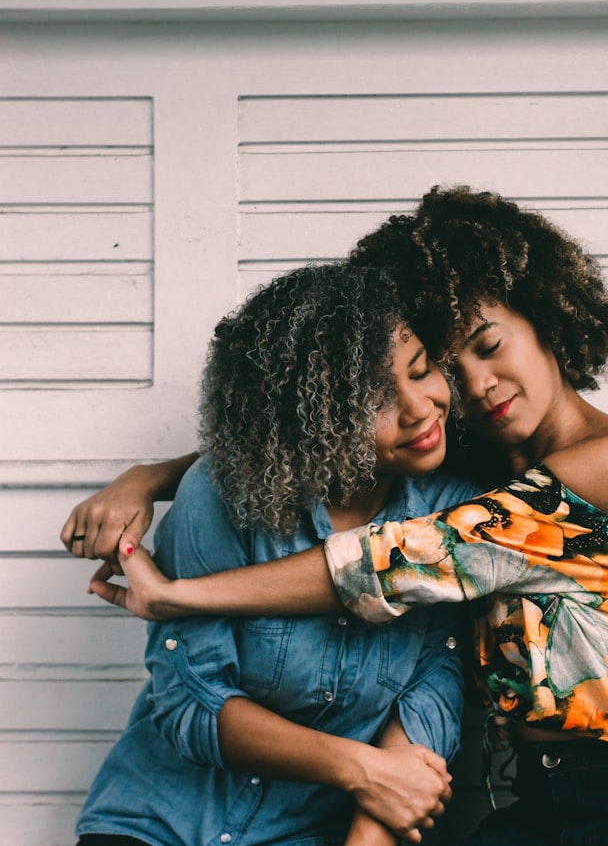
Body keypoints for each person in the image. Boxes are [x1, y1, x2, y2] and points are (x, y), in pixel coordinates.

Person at [68, 187, 608, 846]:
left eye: (490, 346)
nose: (477, 384)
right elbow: (303, 437)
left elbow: (400, 563)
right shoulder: (488, 473)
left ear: (545, 313)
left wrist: (177, 595)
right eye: (448, 365)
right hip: (545, 805)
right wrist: (151, 477)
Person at [69, 261, 482, 846]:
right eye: (374, 403)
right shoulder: (220, 497)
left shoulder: (460, 513)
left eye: (421, 371)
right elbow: (191, 702)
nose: (419, 409)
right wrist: (362, 771)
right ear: (312, 421)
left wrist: (373, 824)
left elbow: (433, 684)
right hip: (161, 820)